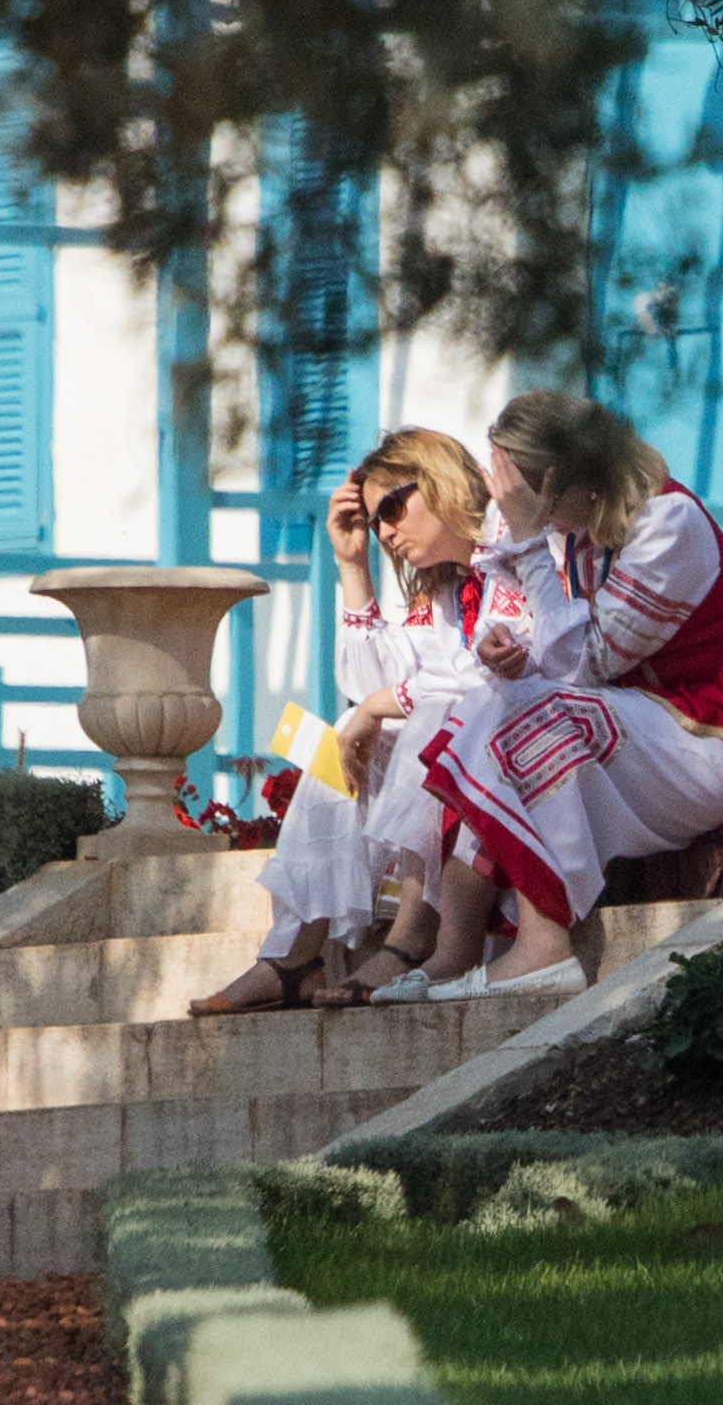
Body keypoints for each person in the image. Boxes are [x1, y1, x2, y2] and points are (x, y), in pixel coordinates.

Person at [396, 387, 723, 1000]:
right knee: (489, 703)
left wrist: (526, 544)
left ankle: (544, 947)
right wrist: (506, 652)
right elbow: (557, 653)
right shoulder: (584, 530)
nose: (534, 516)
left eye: (533, 498)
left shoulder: (667, 523)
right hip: (661, 727)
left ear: (570, 479)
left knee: (536, 717)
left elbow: (583, 663)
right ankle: (456, 947)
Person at [195, 430, 504, 1015]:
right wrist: (352, 564)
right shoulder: (442, 586)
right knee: (333, 742)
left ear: (439, 483)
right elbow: (368, 687)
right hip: (473, 744)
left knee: (425, 719)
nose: (385, 530)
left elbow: (478, 683)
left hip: (524, 740)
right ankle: (294, 956)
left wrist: (373, 709)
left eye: (393, 507)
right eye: (374, 516)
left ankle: (411, 940)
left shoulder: (505, 557)